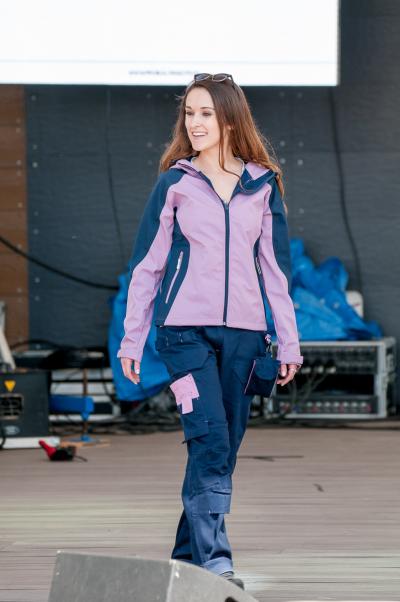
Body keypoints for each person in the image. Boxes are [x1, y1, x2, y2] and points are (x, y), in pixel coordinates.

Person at [118, 72, 303, 590]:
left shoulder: (261, 185)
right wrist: (133, 338)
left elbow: (276, 270)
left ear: (230, 121)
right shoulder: (175, 184)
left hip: (246, 338)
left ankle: (187, 558)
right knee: (210, 438)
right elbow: (147, 267)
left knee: (222, 446)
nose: (194, 123)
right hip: (183, 335)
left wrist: (288, 341)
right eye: (189, 113)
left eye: (205, 114)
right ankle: (217, 562)